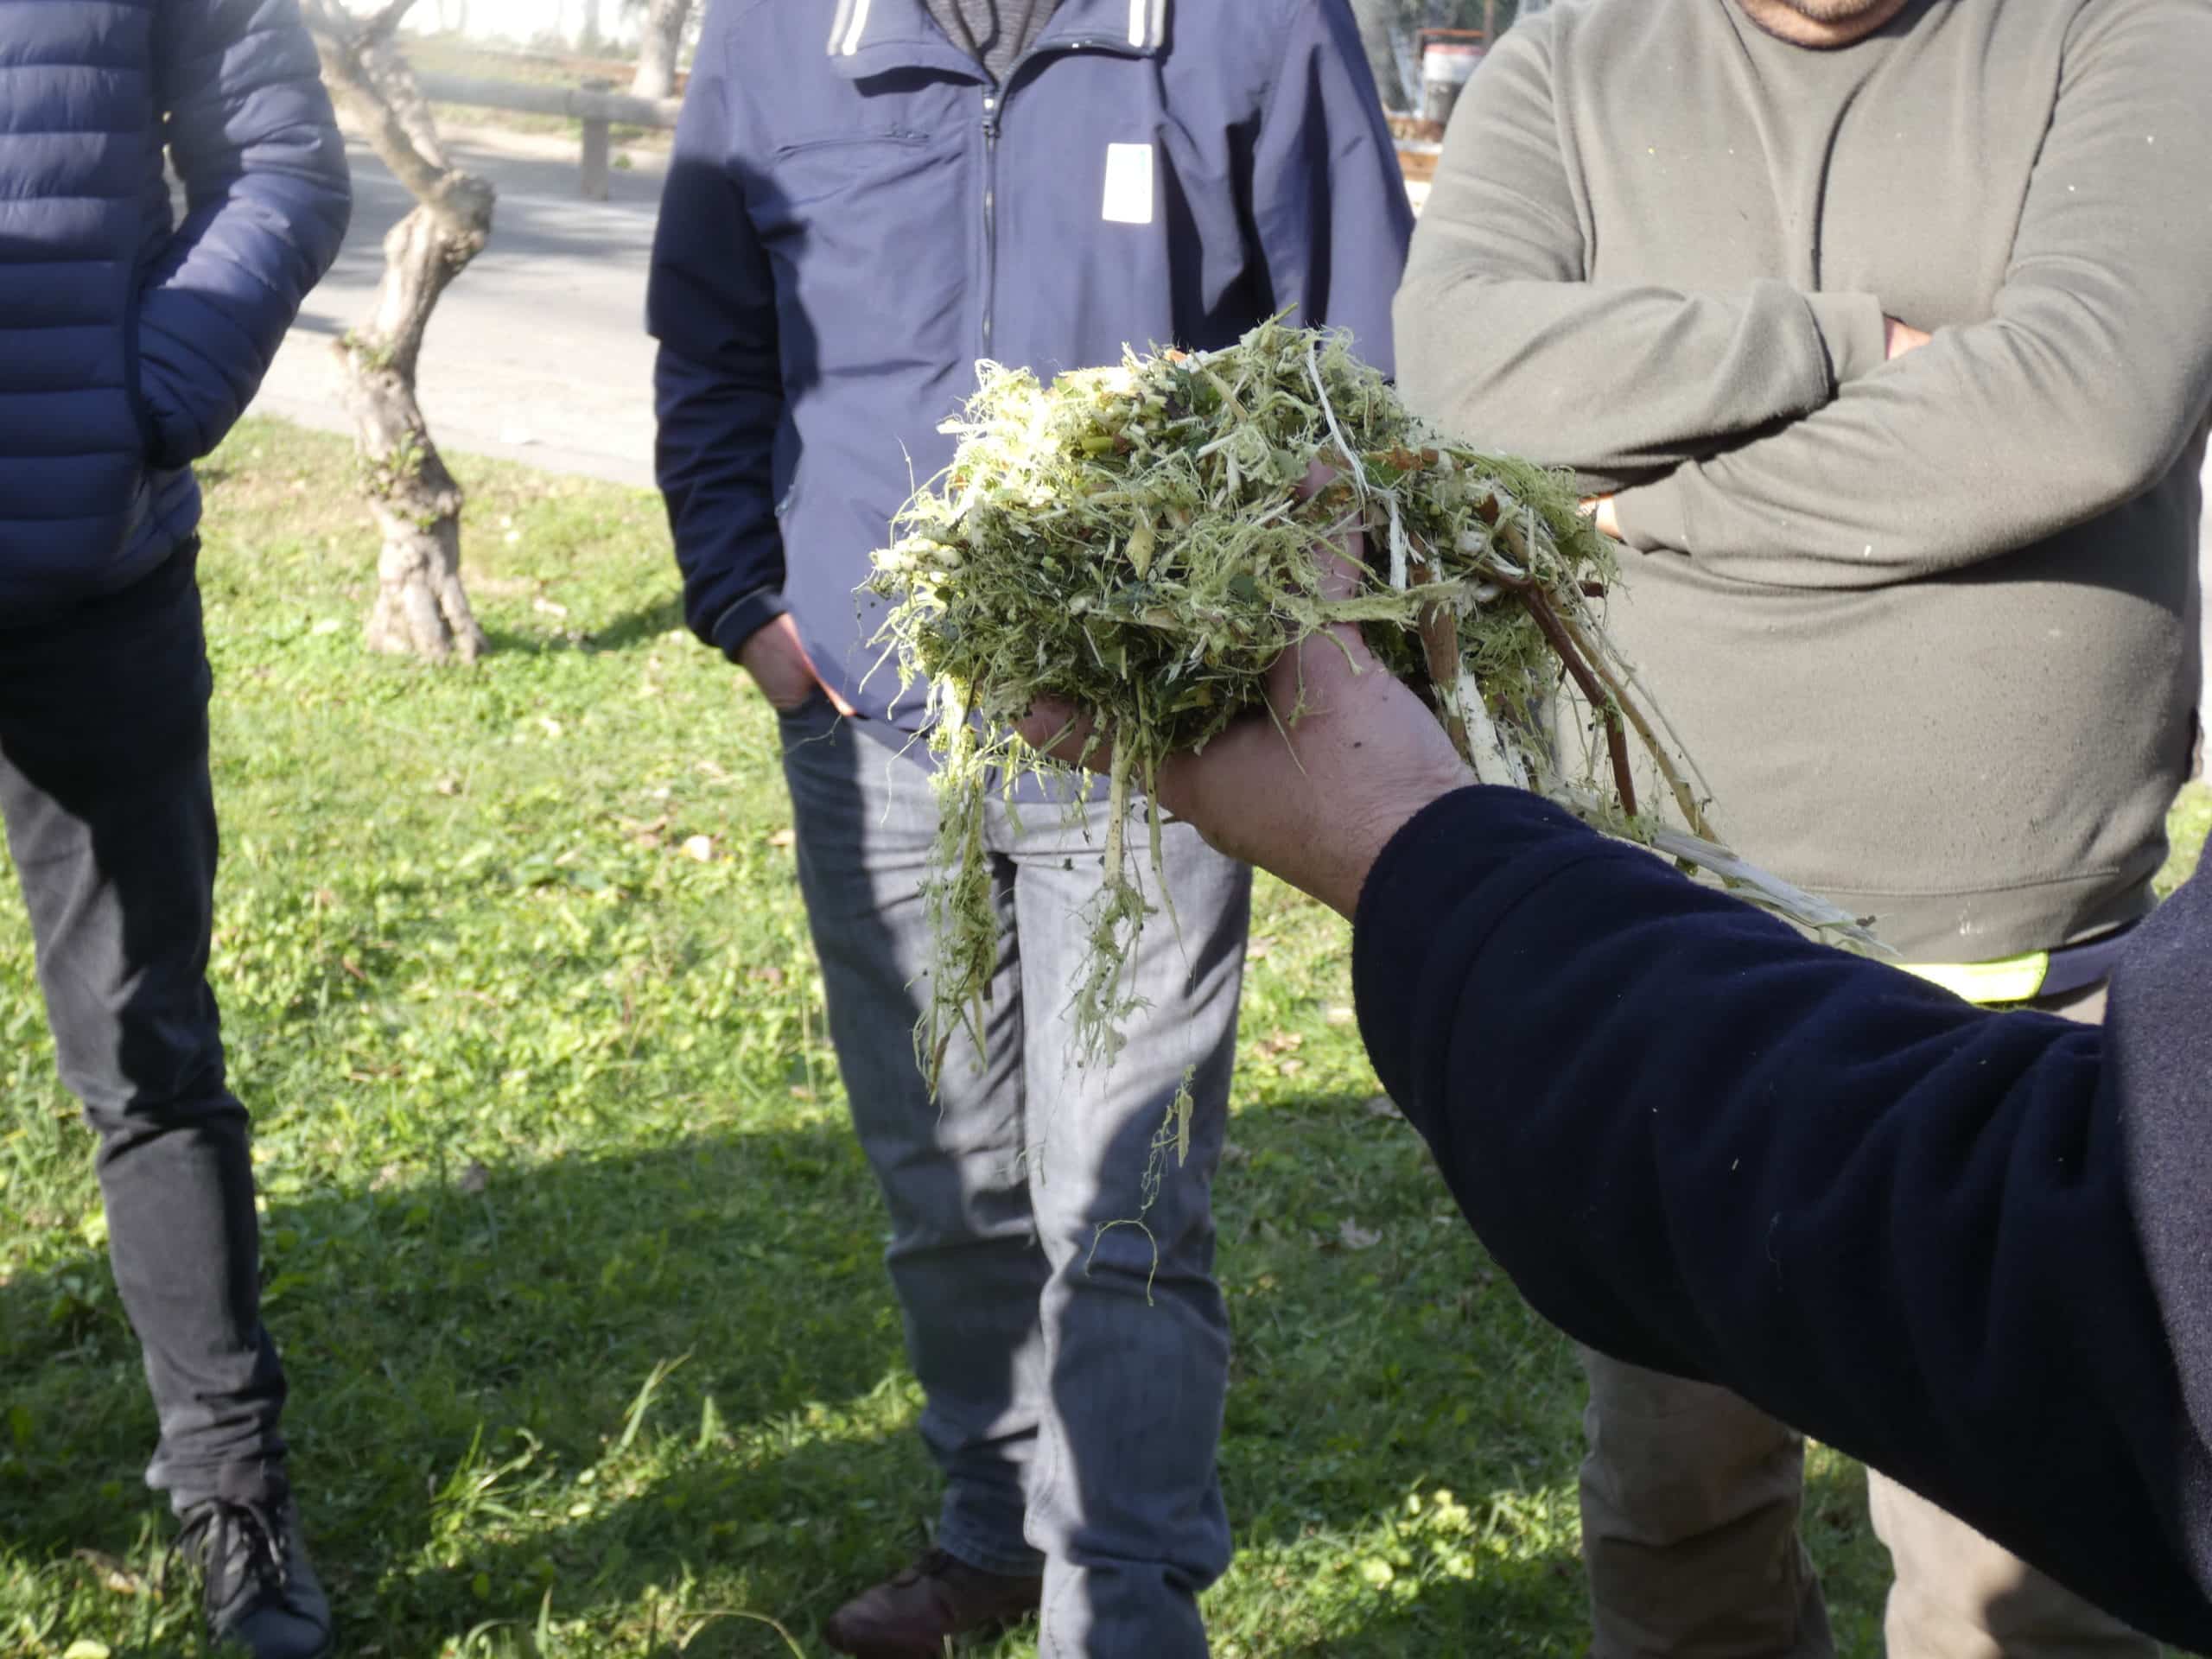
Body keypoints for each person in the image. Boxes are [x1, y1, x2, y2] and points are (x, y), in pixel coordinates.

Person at [1389, 0, 2212, 1648]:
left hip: (2032, 979)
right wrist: (1849, 344)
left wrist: (1643, 512)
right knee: (1676, 1513)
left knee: (2024, 1586)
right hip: (1677, 953)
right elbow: (1465, 370)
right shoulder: (1571, 59)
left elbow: (2082, 403)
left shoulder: (2131, 30)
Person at [645, 2, 1411, 1652]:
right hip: (874, 728)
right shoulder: (782, 31)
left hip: (1155, 742)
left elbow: (1352, 356)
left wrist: (1263, 642)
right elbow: (709, 343)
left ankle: (1119, 1604)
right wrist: (751, 610)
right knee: (947, 1175)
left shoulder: (1248, 27)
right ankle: (991, 1535)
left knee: (1124, 1193)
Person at [1018, 607, 2212, 1656]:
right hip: (1697, 894)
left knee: (2017, 1596)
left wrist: (1414, 848)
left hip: (2011, 919)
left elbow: (2114, 1285)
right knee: (1678, 1504)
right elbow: (1538, 387)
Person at [0, 1, 351, 1654]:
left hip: (98, 577)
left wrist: (135, 403)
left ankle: (236, 1495)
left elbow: (279, 159)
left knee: (145, 1054)